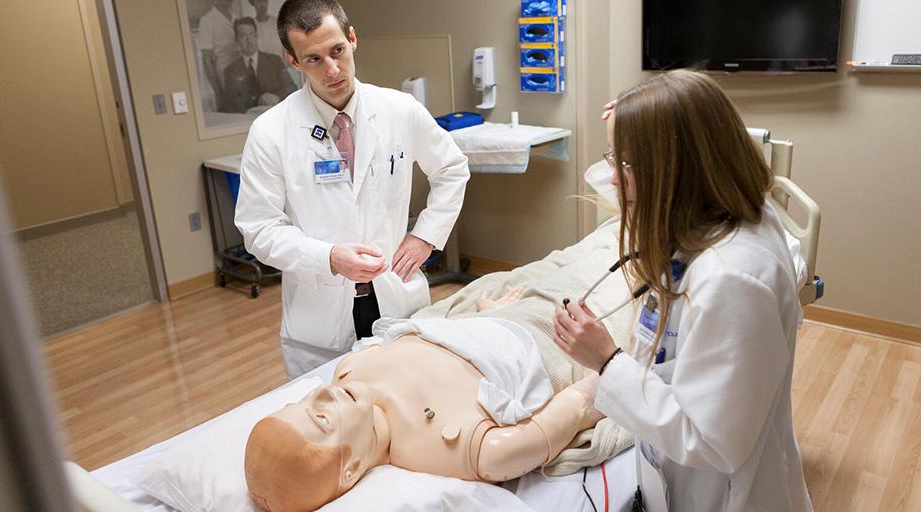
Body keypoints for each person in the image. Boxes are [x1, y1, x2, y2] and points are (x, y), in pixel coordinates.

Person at [553, 70, 812, 511]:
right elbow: (622, 185)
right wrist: (632, 125)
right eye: (614, 159)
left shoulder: (732, 279)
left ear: (677, 168)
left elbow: (710, 441)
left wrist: (606, 361)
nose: (613, 179)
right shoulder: (723, 210)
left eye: (626, 165)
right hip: (671, 478)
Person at [234, 0, 470, 379]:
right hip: (320, 319)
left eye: (337, 51)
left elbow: (452, 168)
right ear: (293, 61)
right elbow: (258, 228)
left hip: (396, 300)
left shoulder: (400, 110)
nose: (332, 70)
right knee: (329, 412)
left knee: (406, 402)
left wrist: (425, 237)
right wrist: (328, 258)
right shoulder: (271, 132)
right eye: (313, 59)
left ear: (353, 39)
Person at [244, 293, 603, 512]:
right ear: (350, 469)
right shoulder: (451, 448)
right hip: (537, 334)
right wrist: (601, 383)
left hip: (485, 318)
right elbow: (573, 411)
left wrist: (485, 314)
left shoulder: (350, 370)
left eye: (302, 401)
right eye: (321, 418)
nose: (323, 393)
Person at [219, 17, 296, 113]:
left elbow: (291, 88)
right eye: (243, 36)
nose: (249, 40)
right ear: (237, 40)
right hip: (246, 119)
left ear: (256, 36)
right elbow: (228, 105)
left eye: (252, 35)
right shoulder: (230, 70)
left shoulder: (274, 61)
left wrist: (277, 96)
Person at [197, 0, 240, 103]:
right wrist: (218, 93)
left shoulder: (237, 17)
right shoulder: (207, 20)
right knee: (232, 104)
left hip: (242, 67)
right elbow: (207, 60)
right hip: (224, 71)